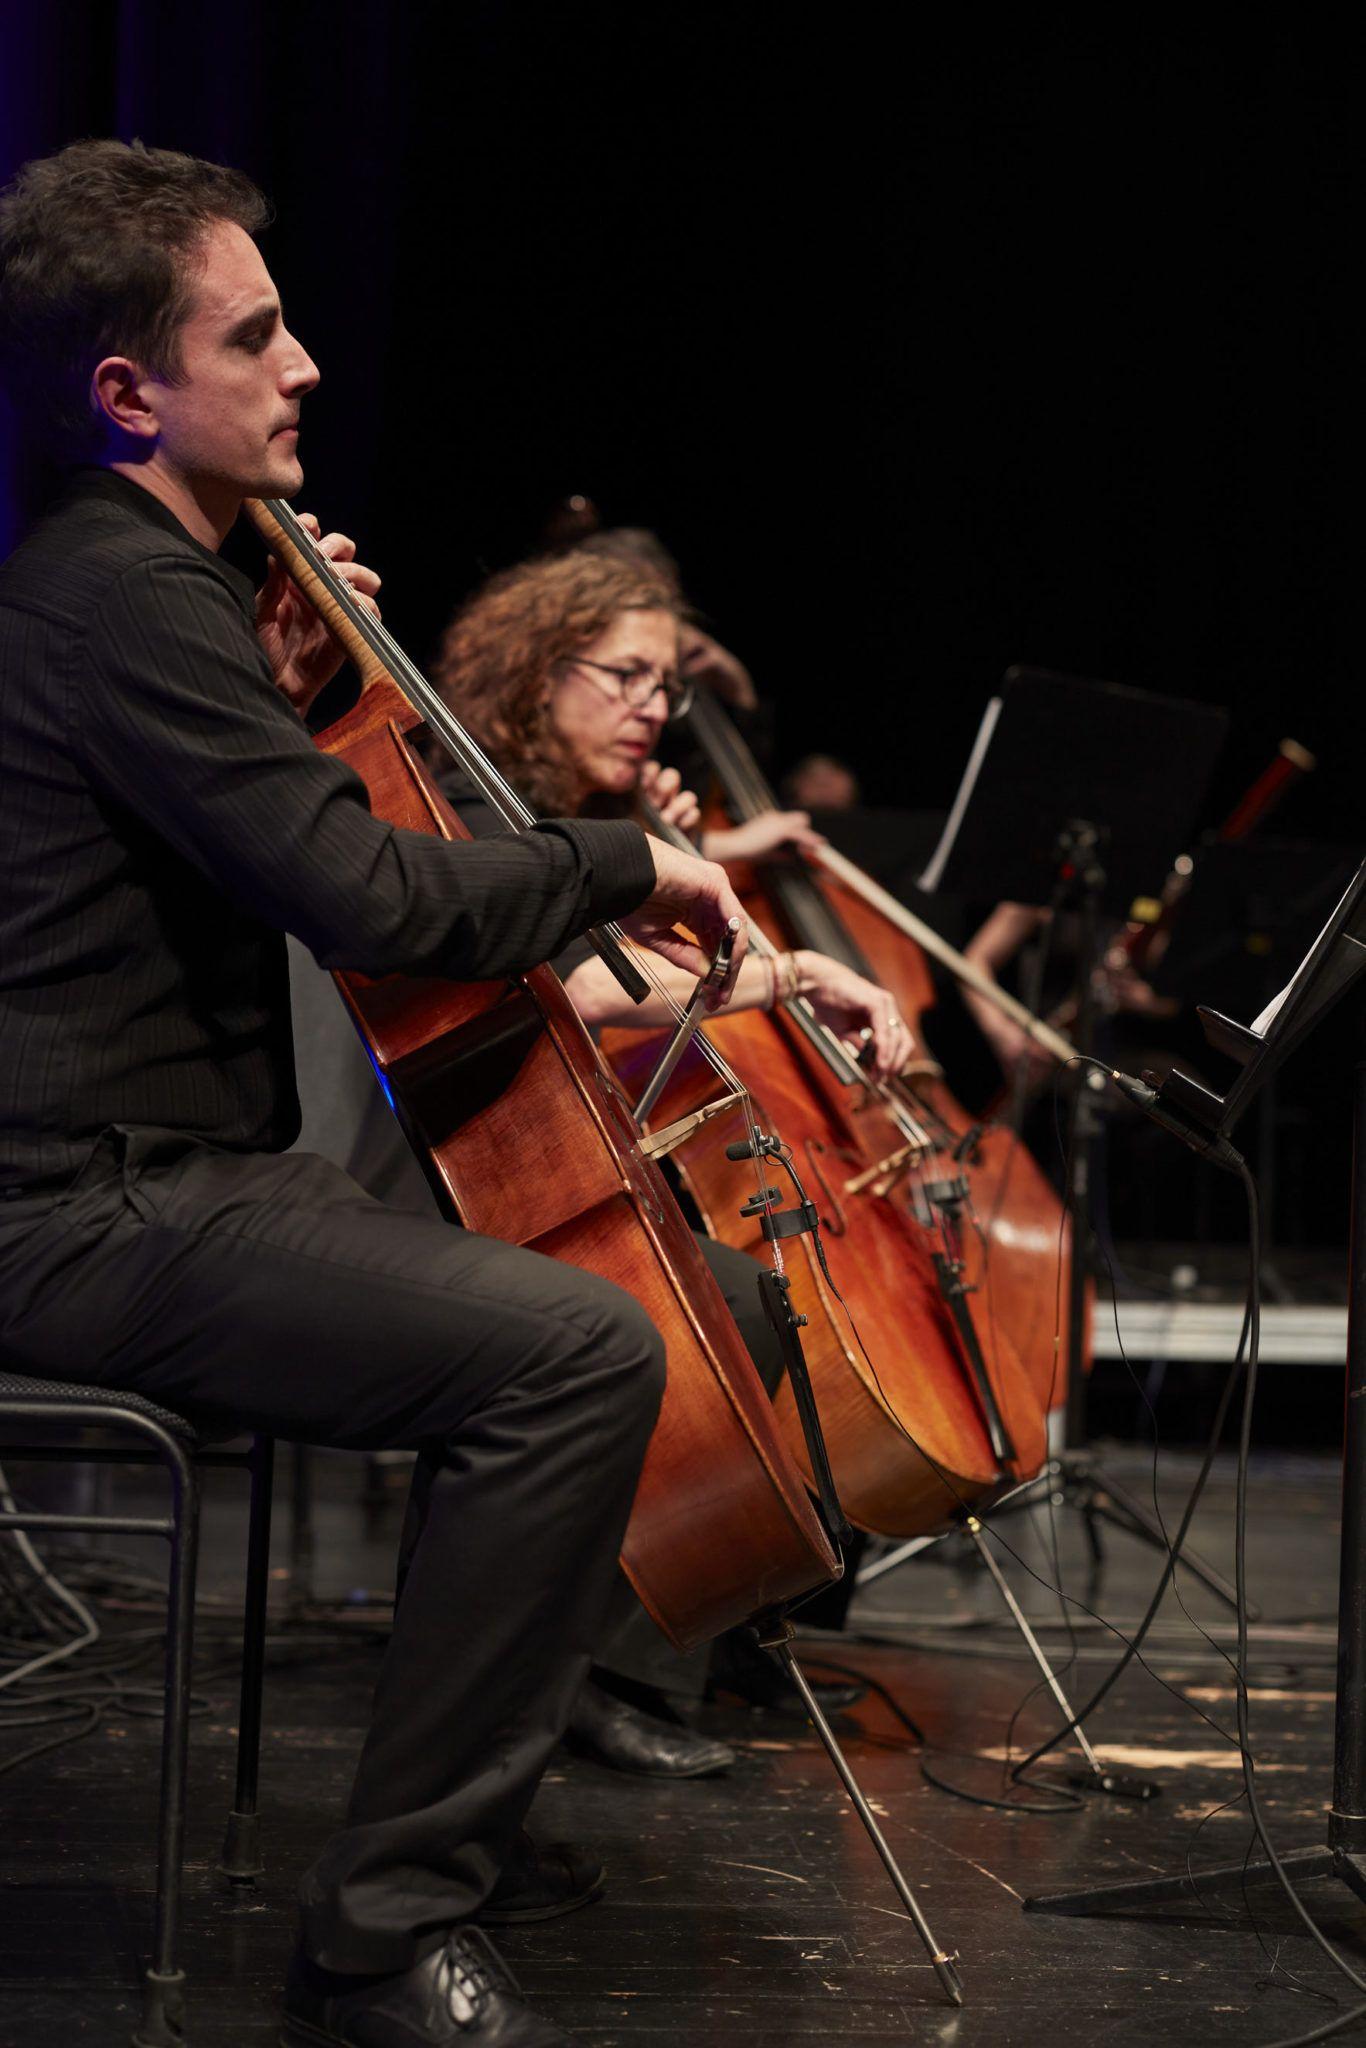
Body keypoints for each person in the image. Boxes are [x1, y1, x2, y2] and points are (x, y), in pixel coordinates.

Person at [0, 140, 754, 2048]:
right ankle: (381, 1937)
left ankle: (453, 1824)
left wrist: (277, 687)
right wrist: (623, 864)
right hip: (78, 1205)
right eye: (253, 336)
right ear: (130, 393)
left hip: (181, 1175)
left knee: (599, 1310)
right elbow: (370, 898)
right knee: (577, 1354)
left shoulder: (159, 590)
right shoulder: (118, 593)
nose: (306, 364)